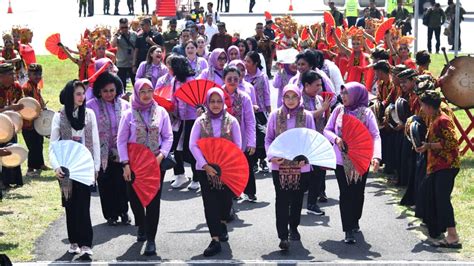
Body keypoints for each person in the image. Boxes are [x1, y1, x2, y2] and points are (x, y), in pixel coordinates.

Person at [117, 78, 173, 256]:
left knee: (153, 201)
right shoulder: (129, 114)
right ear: (137, 93)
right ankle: (141, 223)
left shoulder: (161, 112)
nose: (147, 95)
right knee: (134, 198)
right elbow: (121, 140)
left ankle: (151, 239)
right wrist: (125, 164)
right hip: (134, 165)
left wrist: (161, 155)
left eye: (150, 90)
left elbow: (168, 137)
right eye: (143, 91)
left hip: (155, 163)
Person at [324, 82, 381, 244]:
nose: (343, 97)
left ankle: (355, 219)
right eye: (342, 94)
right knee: (346, 193)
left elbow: (375, 135)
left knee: (358, 192)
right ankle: (348, 229)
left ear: (357, 95)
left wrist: (376, 157)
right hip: (341, 160)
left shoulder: (367, 113)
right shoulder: (338, 110)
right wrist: (336, 138)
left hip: (361, 159)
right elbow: (327, 130)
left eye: (346, 93)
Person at [49, 80, 100, 259]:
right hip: (66, 168)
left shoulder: (89, 114)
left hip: (84, 167)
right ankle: (74, 242)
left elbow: (95, 141)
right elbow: (53, 145)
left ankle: (86, 243)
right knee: (70, 205)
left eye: (83, 93)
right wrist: (56, 167)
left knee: (84, 205)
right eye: (77, 94)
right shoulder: (59, 116)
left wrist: (96, 167)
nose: (81, 97)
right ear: (70, 96)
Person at [189, 87, 242, 256]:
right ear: (207, 103)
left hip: (226, 170)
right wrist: (205, 165)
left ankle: (223, 221)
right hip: (205, 170)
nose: (216, 105)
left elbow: (238, 145)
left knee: (225, 203)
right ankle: (215, 239)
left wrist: (226, 163)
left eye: (219, 101)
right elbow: (193, 145)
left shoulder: (232, 121)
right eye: (212, 101)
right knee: (210, 204)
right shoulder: (200, 121)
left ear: (224, 102)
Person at [265, 84, 316, 251]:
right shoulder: (275, 115)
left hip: (301, 167)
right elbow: (269, 139)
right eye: (287, 97)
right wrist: (272, 156)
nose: (291, 100)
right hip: (279, 166)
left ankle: (293, 226)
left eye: (294, 97)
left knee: (297, 199)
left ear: (299, 97)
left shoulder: (307, 116)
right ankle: (283, 235)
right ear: (283, 98)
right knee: (281, 199)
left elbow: (312, 139)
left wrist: (306, 158)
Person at [415, 90, 461, 248]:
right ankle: (440, 229)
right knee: (436, 198)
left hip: (447, 166)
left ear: (429, 106)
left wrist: (429, 146)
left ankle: (453, 236)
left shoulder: (443, 120)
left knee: (443, 200)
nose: (421, 108)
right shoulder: (433, 117)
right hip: (437, 165)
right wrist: (426, 147)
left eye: (422, 105)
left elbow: (453, 142)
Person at [86, 71, 131, 226]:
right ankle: (110, 215)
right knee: (105, 184)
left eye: (112, 90)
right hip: (101, 152)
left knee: (122, 183)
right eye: (105, 91)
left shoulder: (125, 105)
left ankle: (124, 211)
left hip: (121, 152)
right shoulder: (91, 106)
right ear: (99, 91)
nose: (109, 94)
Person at [158, 55, 198, 190]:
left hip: (191, 120)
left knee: (191, 148)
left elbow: (195, 100)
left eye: (171, 66)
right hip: (178, 119)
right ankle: (180, 174)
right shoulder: (174, 80)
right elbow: (173, 98)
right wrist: (171, 109)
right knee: (176, 147)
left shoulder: (191, 80)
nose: (168, 68)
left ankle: (196, 177)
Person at [222, 66, 257, 201]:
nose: (232, 81)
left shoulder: (244, 97)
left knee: (245, 165)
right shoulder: (217, 95)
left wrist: (251, 142)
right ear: (224, 79)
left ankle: (250, 192)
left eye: (235, 79)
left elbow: (250, 122)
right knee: (226, 167)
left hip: (240, 138)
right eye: (229, 79)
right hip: (222, 139)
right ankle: (231, 192)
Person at [301, 70, 331, 216]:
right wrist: (323, 109)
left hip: (319, 140)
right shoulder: (298, 98)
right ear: (306, 85)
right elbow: (306, 116)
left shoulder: (319, 98)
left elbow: (323, 118)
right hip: (304, 142)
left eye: (320, 85)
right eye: (316, 85)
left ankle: (312, 203)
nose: (319, 88)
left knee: (318, 174)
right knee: (303, 174)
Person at [244, 51, 271, 174]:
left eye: (248, 61)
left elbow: (266, 94)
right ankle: (253, 162)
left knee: (263, 136)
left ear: (255, 63)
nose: (246, 63)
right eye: (245, 60)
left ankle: (263, 160)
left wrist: (269, 110)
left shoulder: (262, 76)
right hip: (248, 112)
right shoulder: (243, 76)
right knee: (252, 138)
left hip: (261, 111)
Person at [21, 64, 49, 177]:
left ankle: (40, 164)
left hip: (37, 121)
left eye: (39, 74)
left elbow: (39, 99)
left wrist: (44, 108)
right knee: (33, 146)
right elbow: (26, 105)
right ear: (29, 75)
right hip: (28, 122)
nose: (38, 76)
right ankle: (30, 169)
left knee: (39, 143)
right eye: (35, 74)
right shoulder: (26, 87)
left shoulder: (36, 86)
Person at [0, 63, 23, 188]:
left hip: (12, 125)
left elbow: (22, 105)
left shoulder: (17, 87)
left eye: (13, 73)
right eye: (10, 74)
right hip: (0, 126)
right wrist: (9, 108)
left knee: (13, 149)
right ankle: (3, 181)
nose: (14, 76)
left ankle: (14, 179)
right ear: (1, 76)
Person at [112, 18, 137, 89]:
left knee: (135, 83)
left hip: (132, 63)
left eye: (126, 27)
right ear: (119, 27)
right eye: (122, 27)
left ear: (128, 26)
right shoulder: (117, 36)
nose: (124, 29)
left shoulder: (134, 34)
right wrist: (116, 34)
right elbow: (113, 45)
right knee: (122, 85)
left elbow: (137, 47)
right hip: (121, 64)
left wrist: (135, 63)